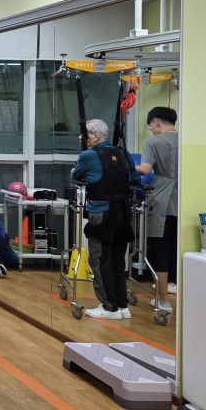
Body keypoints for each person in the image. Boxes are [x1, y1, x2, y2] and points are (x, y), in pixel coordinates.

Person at [71, 119, 139, 320]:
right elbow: (134, 178)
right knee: (117, 259)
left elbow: (76, 176)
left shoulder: (88, 155)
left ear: (95, 136)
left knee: (100, 259)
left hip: (102, 213)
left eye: (84, 134)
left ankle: (109, 306)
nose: (81, 138)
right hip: (124, 212)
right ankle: (122, 305)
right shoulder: (123, 153)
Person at [134, 106, 179, 312]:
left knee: (160, 250)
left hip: (162, 201)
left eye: (151, 126)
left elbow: (145, 169)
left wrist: (125, 166)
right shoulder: (186, 140)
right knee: (179, 250)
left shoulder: (153, 141)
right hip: (185, 200)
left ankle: (163, 301)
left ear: (156, 122)